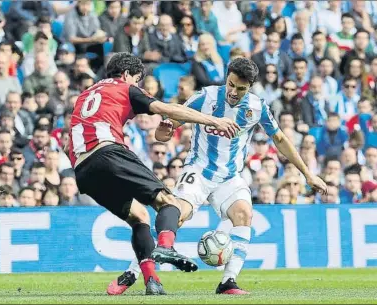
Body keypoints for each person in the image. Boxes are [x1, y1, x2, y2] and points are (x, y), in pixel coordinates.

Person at [108, 57, 328, 295]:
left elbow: (281, 140)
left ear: (250, 86)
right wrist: (164, 130)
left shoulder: (257, 107)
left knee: (244, 213)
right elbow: (166, 130)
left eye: (241, 88)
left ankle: (228, 282)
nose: (234, 92)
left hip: (230, 177)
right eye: (231, 84)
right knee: (175, 216)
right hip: (199, 171)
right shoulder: (206, 97)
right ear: (227, 78)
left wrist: (308, 174)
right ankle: (133, 271)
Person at [68, 52, 239, 295]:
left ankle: (152, 281)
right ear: (127, 74)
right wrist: (213, 121)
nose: (137, 85)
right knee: (168, 202)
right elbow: (165, 109)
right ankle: (166, 247)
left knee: (139, 218)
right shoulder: (124, 88)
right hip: (109, 151)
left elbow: (68, 146)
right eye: (136, 79)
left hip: (83, 169)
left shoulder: (85, 95)